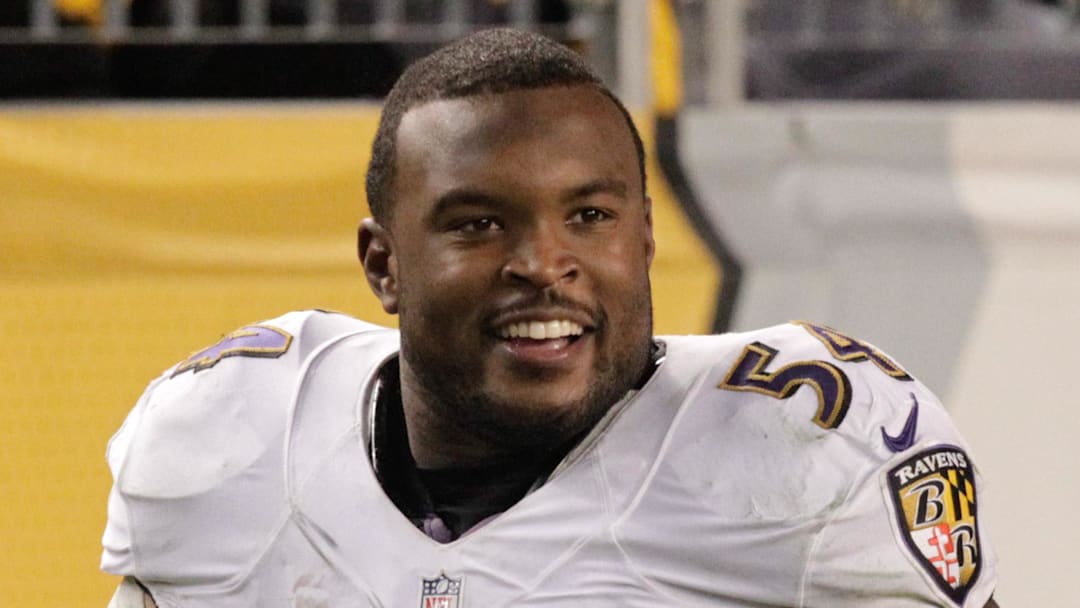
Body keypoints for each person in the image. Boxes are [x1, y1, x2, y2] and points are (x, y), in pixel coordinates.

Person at [101, 28, 999, 607]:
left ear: (644, 239)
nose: (542, 264)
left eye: (590, 216)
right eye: (481, 223)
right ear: (384, 265)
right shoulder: (233, 436)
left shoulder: (801, 449)